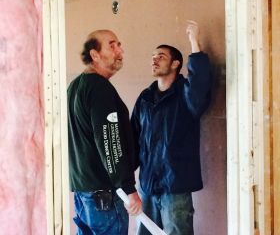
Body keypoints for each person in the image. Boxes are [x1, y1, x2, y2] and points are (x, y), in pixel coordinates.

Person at [131, 21, 211, 235]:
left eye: (161, 56)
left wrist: (194, 42)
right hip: (147, 185)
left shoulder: (185, 95)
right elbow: (133, 140)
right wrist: (128, 186)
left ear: (176, 64)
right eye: (153, 56)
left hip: (175, 187)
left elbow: (201, 85)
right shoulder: (145, 98)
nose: (154, 60)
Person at [67, 29, 142, 235]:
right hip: (105, 196)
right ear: (95, 55)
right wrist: (128, 189)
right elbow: (110, 142)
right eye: (112, 45)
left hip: (84, 193)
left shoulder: (74, 87)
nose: (120, 50)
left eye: (119, 44)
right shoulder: (99, 88)